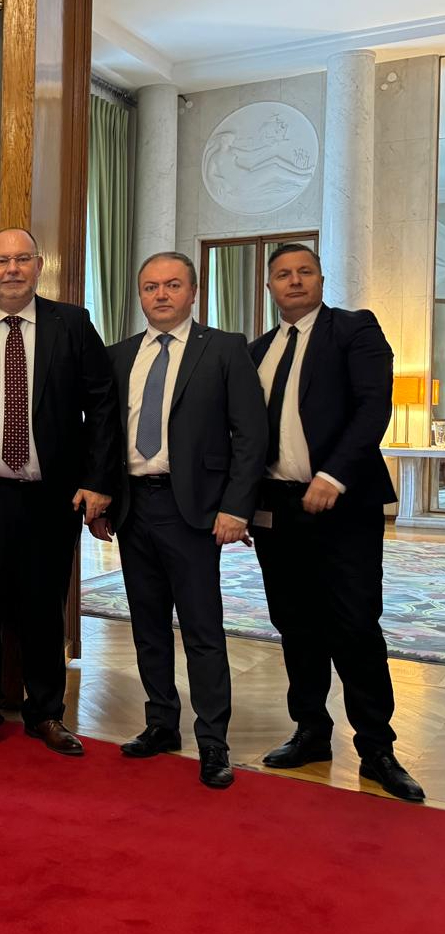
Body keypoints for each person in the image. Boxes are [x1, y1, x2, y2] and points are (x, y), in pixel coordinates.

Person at [250, 243, 424, 802]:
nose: (294, 281)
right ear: (270, 286)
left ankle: (377, 748)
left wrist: (334, 475)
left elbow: (374, 406)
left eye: (305, 272)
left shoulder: (354, 329)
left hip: (342, 507)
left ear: (321, 279)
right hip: (276, 510)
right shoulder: (257, 351)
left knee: (354, 625)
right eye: (283, 274)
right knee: (295, 623)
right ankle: (310, 732)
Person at [89, 252, 266, 788]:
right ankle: (161, 723)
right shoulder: (119, 356)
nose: (160, 295)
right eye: (150, 287)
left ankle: (213, 741)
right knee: (146, 626)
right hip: (133, 507)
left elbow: (251, 434)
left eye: (171, 285)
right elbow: (103, 434)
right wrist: (103, 499)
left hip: (193, 510)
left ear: (193, 292)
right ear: (140, 295)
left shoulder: (225, 349)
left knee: (202, 629)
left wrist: (236, 507)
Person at [0, 228, 120, 757]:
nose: (12, 269)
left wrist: (97, 480)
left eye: (22, 259)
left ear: (40, 266)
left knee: (44, 608)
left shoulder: (72, 324)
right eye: (2, 261)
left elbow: (102, 405)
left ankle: (46, 713)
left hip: (51, 497)